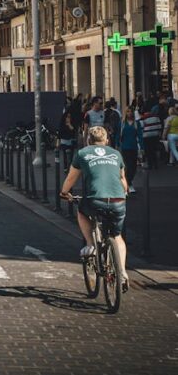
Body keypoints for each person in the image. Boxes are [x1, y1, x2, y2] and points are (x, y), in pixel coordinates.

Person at [59, 124, 129, 291]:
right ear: (106, 140)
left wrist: (64, 192)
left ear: (88, 140)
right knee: (117, 236)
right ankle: (123, 272)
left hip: (95, 199)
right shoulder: (116, 154)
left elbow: (71, 178)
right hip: (118, 200)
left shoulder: (82, 154)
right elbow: (123, 180)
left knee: (82, 212)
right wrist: (124, 193)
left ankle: (90, 244)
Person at [119, 107, 142, 192]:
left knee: (134, 167)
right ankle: (128, 184)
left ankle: (128, 182)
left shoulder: (137, 123)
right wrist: (117, 146)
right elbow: (118, 135)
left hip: (134, 147)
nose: (130, 113)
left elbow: (140, 136)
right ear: (125, 113)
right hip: (125, 147)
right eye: (128, 111)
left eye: (131, 111)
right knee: (127, 166)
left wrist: (142, 148)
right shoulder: (122, 123)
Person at [141, 104, 163, 169]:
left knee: (148, 151)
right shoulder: (156, 117)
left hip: (146, 137)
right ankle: (155, 164)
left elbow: (142, 128)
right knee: (154, 150)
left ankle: (150, 164)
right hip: (155, 136)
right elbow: (159, 127)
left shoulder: (143, 118)